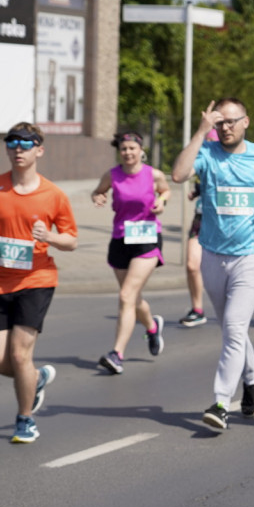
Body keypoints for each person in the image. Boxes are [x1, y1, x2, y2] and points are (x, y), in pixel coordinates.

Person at [171, 98, 254, 429]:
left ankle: (221, 402)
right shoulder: (208, 154)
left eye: (231, 122)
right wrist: (200, 131)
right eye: (219, 123)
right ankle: (252, 379)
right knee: (230, 329)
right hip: (213, 253)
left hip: (250, 253)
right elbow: (179, 174)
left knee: (235, 328)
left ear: (246, 122)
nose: (225, 128)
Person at [0, 123, 78, 443]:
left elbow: (71, 240)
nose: (18, 149)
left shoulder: (54, 194)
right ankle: (37, 378)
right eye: (12, 143)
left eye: (26, 144)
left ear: (39, 150)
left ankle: (25, 419)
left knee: (19, 356)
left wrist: (50, 237)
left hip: (37, 279)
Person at [91, 131, 170, 374]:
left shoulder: (153, 174)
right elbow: (98, 191)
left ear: (140, 150)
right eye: (123, 149)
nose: (127, 153)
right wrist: (99, 197)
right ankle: (152, 326)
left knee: (126, 295)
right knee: (133, 298)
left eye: (132, 149)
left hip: (147, 238)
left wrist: (162, 201)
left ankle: (117, 354)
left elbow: (165, 190)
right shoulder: (112, 175)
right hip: (120, 239)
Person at [179, 128, 218, 328]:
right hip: (201, 218)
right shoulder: (201, 159)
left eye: (212, 141)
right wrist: (195, 193)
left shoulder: (228, 161)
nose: (208, 145)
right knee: (192, 265)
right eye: (206, 141)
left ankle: (230, 308)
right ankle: (197, 309)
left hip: (222, 220)